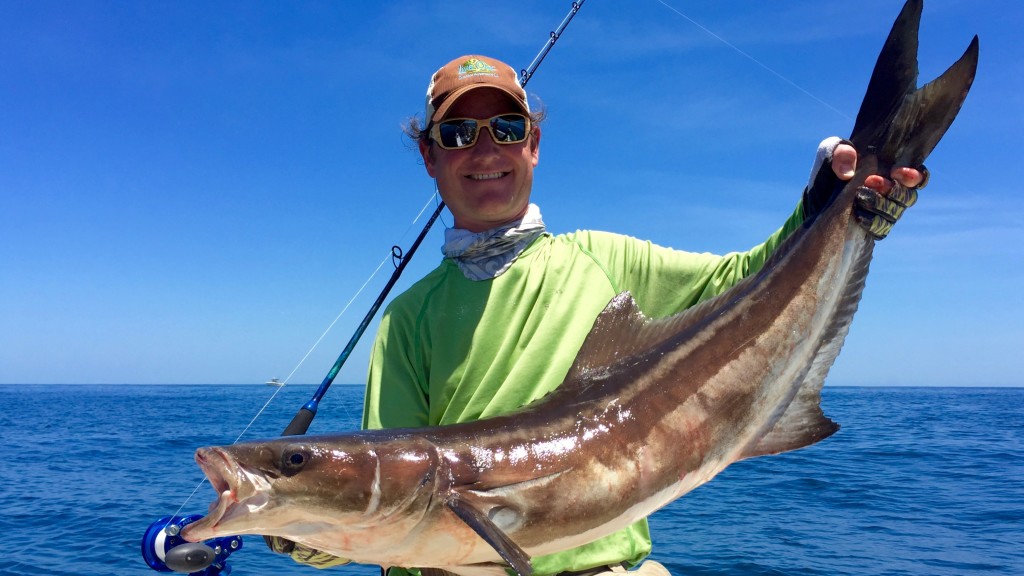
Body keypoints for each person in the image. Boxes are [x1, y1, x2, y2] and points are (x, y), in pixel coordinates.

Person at [272, 54, 926, 575]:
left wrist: (830, 204)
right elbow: (391, 505)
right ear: (430, 156)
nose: (484, 150)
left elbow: (750, 282)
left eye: (505, 129)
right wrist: (292, 526)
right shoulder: (408, 320)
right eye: (457, 133)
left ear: (533, 145)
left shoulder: (606, 259)